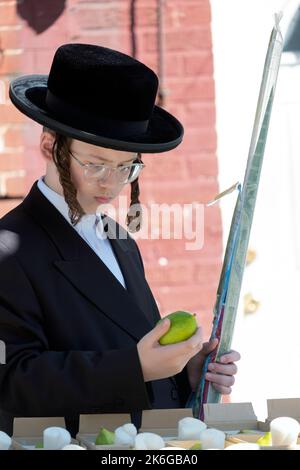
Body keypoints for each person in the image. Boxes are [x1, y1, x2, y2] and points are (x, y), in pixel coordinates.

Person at [0, 44, 240, 436]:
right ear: (49, 146)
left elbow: (127, 347)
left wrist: (183, 374)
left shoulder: (119, 240)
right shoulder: (9, 247)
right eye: (95, 164)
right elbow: (12, 382)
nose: (110, 183)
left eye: (125, 166)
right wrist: (137, 367)